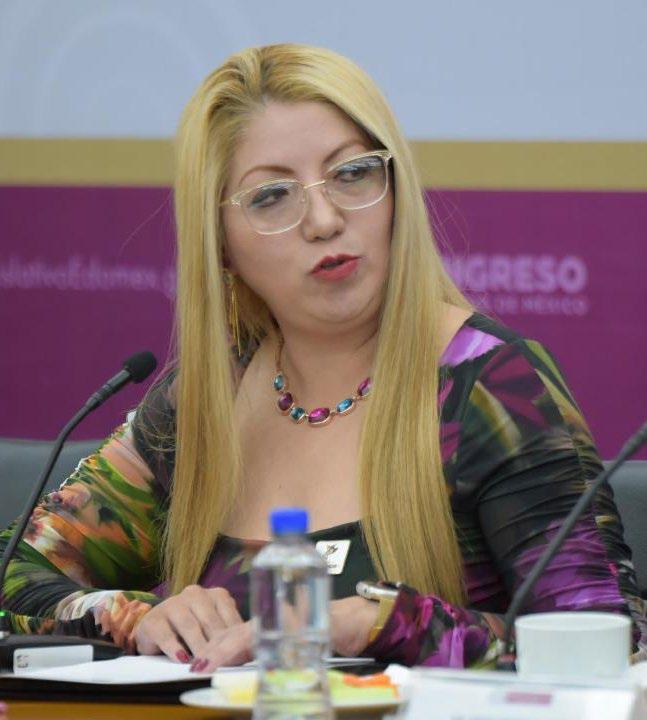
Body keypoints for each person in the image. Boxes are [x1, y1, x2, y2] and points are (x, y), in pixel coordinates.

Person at [1, 44, 645, 674]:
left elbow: (613, 643)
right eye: (271, 196)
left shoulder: (491, 385)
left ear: (395, 189)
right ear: (219, 243)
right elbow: (15, 572)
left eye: (353, 173)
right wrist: (133, 615)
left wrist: (386, 625)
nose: (324, 219)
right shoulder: (203, 402)